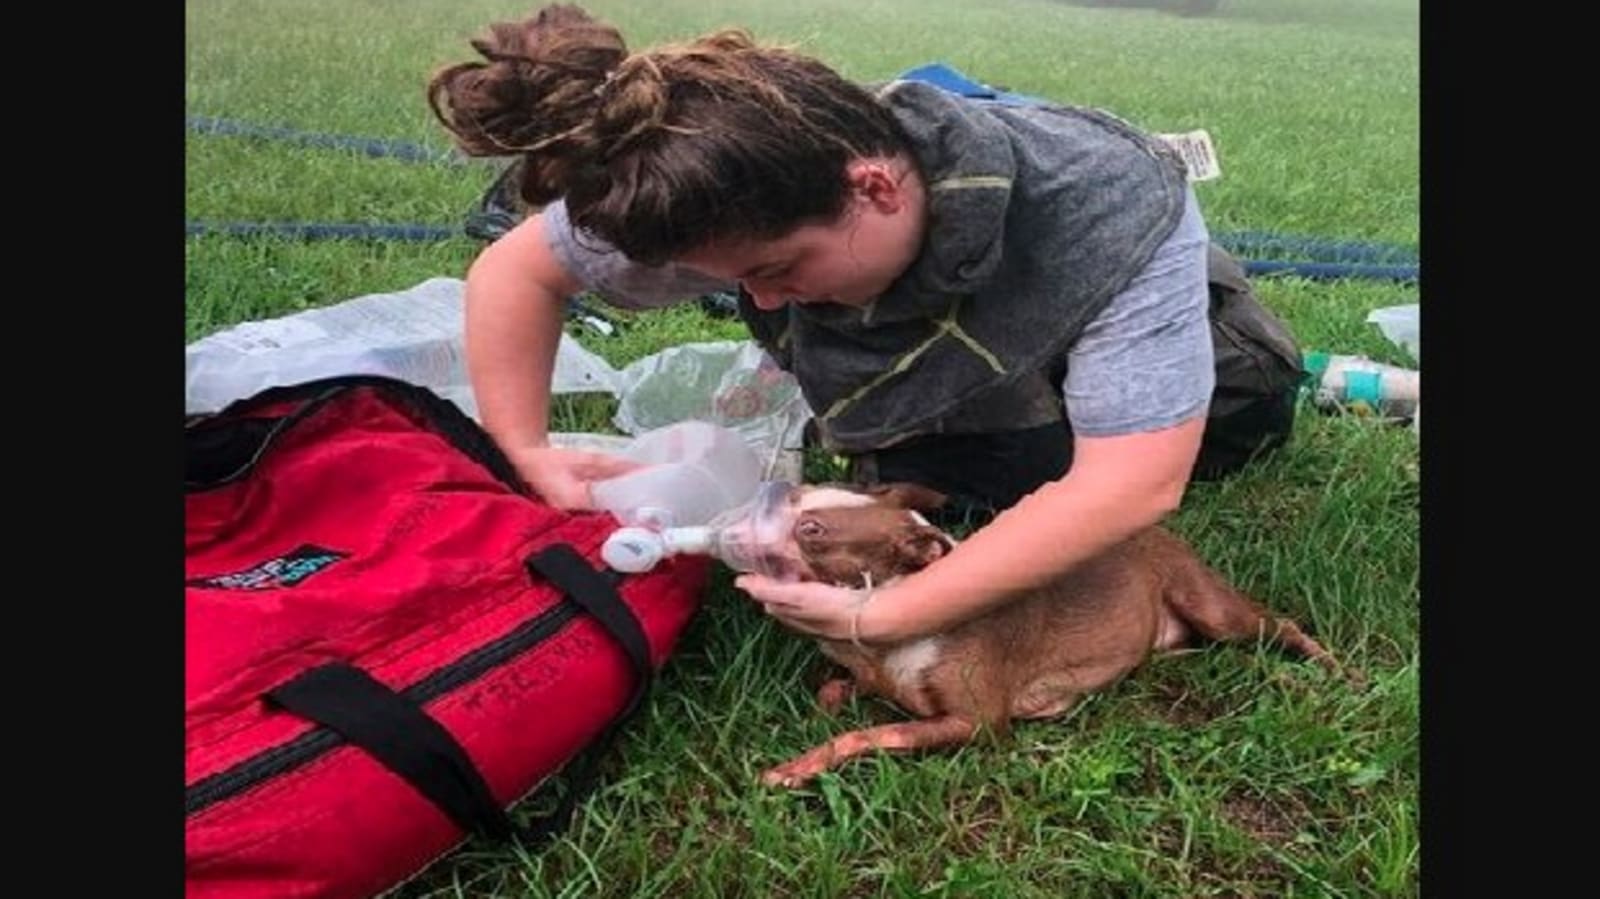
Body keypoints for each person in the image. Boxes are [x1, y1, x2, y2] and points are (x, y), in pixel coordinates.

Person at [426, 4, 1303, 647]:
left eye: (777, 271)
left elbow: (1133, 485)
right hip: (943, 350)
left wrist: (885, 614)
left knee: (1237, 415)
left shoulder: (1104, 201)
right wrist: (526, 447)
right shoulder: (708, 185)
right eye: (736, 281)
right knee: (974, 486)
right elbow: (518, 271)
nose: (760, 305)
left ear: (874, 188)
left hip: (1157, 324)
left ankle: (1274, 366)